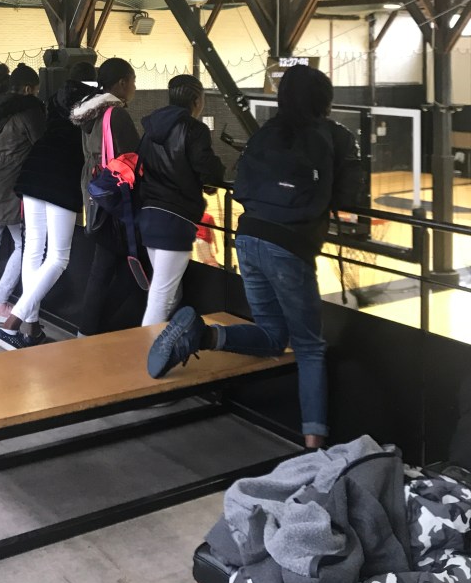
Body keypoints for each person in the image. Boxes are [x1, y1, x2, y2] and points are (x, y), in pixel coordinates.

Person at [147, 65, 362, 450]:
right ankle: (314, 448)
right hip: (290, 247)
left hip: (247, 238)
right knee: (309, 347)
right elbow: (349, 199)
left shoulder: (265, 133)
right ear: (324, 100)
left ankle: (202, 334)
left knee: (273, 335)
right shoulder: (334, 136)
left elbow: (242, 183)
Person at [0, 77, 92, 350]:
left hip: (34, 172)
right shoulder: (89, 115)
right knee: (58, 257)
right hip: (59, 179)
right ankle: (10, 325)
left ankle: (31, 327)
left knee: (34, 250)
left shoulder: (53, 110)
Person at [138, 75, 224, 326]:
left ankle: (165, 342)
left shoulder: (151, 127)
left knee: (170, 293)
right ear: (197, 100)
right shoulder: (194, 129)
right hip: (174, 219)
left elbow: (140, 165)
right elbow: (207, 169)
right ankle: (145, 348)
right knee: (162, 296)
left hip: (149, 214)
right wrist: (214, 175)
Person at [70, 57, 139, 336]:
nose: (134, 88)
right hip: (115, 199)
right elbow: (133, 157)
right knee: (115, 267)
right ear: (122, 83)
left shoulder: (90, 114)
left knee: (103, 266)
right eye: (133, 82)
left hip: (95, 195)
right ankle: (91, 330)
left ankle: (89, 330)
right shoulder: (116, 115)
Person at [0, 63, 45, 323]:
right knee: (24, 244)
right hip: (11, 181)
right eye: (36, 90)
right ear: (27, 89)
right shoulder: (29, 111)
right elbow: (41, 144)